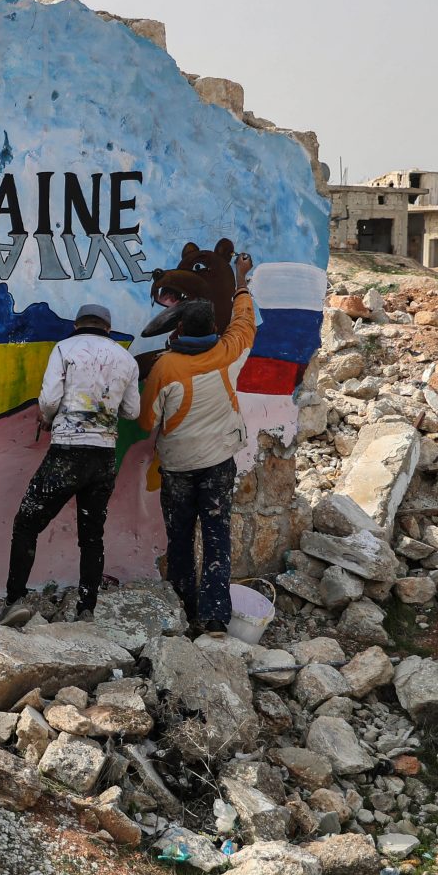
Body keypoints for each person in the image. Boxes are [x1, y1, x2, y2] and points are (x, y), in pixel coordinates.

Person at [0, 303, 140, 626]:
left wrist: (47, 419)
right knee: (92, 535)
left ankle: (14, 600)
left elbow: (48, 399)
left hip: (67, 452)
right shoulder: (125, 359)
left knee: (26, 523)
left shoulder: (64, 349)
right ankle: (86, 609)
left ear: (77, 325)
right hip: (103, 457)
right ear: (107, 327)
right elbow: (132, 411)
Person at [138, 252, 256, 634]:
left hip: (178, 468)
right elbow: (244, 320)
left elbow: (146, 422)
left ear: (179, 331)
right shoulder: (228, 351)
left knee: (180, 540)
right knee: (218, 536)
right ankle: (216, 617)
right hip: (219, 462)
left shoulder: (165, 368)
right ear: (212, 329)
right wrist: (240, 278)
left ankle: (184, 612)